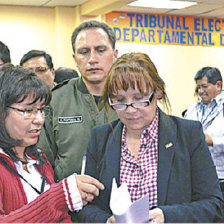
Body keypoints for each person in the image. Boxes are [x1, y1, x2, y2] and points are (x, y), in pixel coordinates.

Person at [77, 53, 224, 223]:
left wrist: (166, 216)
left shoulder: (188, 134)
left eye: (140, 98)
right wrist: (106, 221)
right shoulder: (100, 138)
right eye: (119, 100)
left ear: (158, 91)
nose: (130, 109)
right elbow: (86, 206)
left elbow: (214, 205)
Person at [0, 66, 104, 223]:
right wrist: (58, 197)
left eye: (41, 110)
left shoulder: (38, 159)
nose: (39, 119)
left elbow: (60, 217)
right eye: (28, 111)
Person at [38, 20, 118, 182]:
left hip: (122, 200)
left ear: (115, 54)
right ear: (75, 58)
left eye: (100, 50)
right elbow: (43, 161)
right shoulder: (55, 100)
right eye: (84, 52)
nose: (92, 59)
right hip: (68, 202)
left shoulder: (133, 99)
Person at [184, 66, 224, 191]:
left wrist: (212, 141)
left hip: (220, 176)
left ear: (218, 85)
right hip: (196, 176)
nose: (200, 91)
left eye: (204, 86)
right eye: (198, 87)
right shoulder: (191, 110)